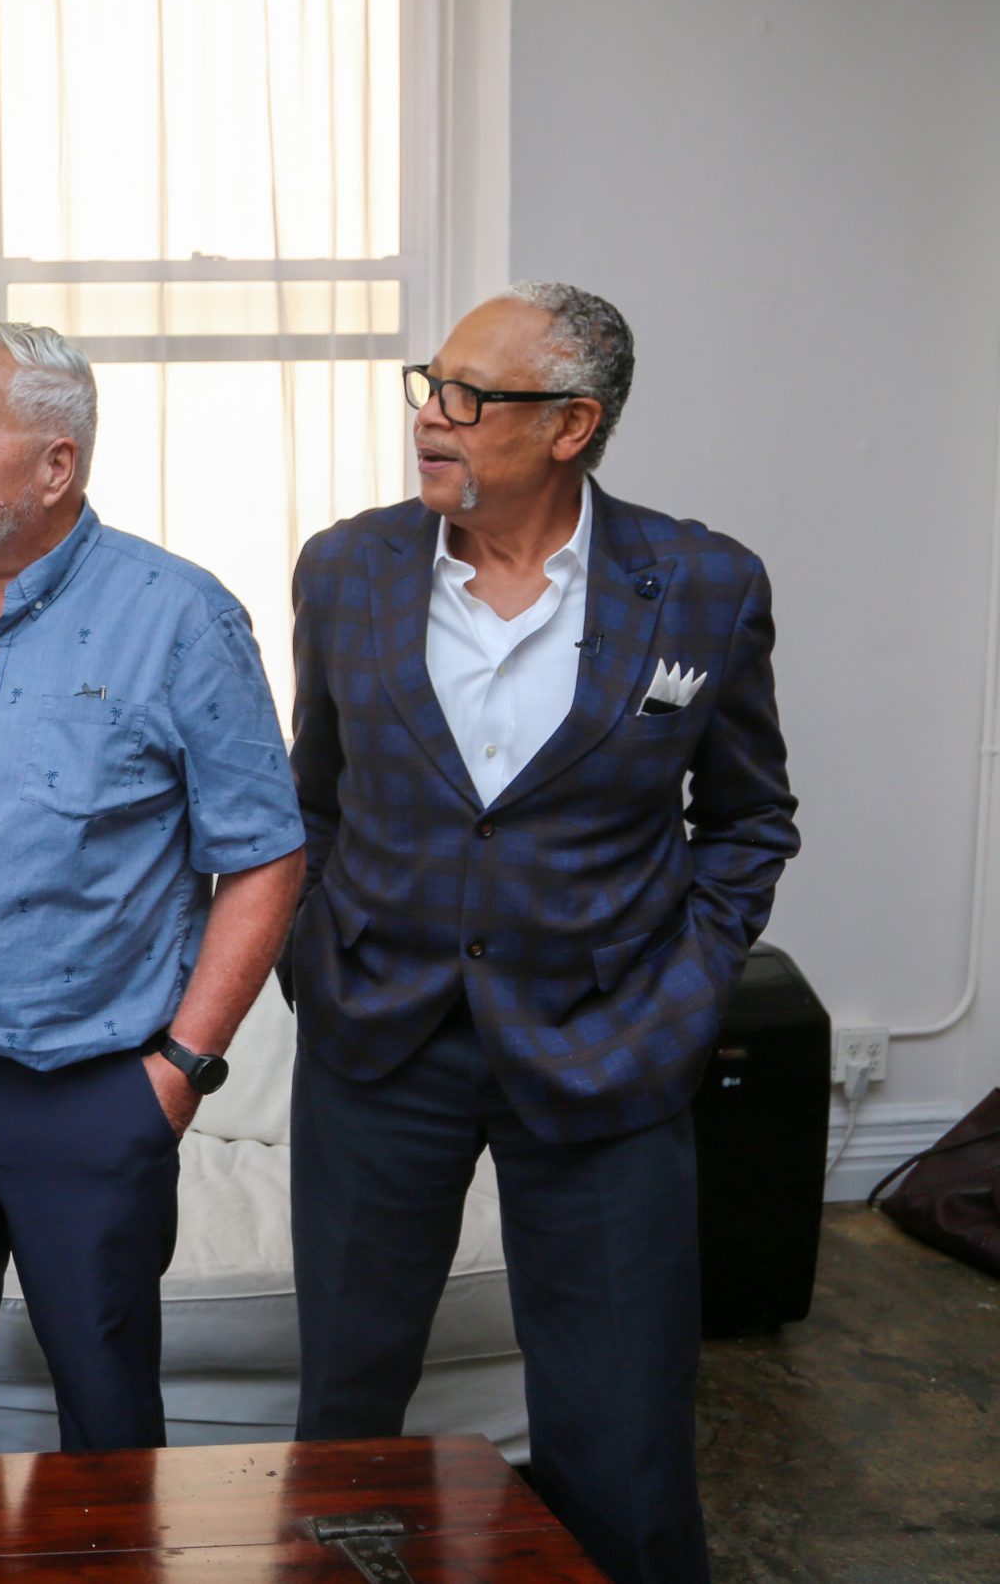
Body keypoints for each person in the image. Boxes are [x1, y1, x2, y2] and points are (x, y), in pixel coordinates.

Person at [282, 284, 798, 1584]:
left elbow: (747, 819)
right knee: (344, 1409)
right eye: (429, 385)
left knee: (624, 1434)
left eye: (468, 397)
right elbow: (310, 800)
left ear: (572, 424)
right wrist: (314, 958)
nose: (430, 419)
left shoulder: (704, 585)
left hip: (607, 1048)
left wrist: (682, 997)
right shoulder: (344, 570)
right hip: (378, 1042)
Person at [0, 321, 305, 1456]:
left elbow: (266, 855)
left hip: (89, 1095)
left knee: (107, 1409)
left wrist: (179, 1070)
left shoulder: (181, 618)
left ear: (54, 465)